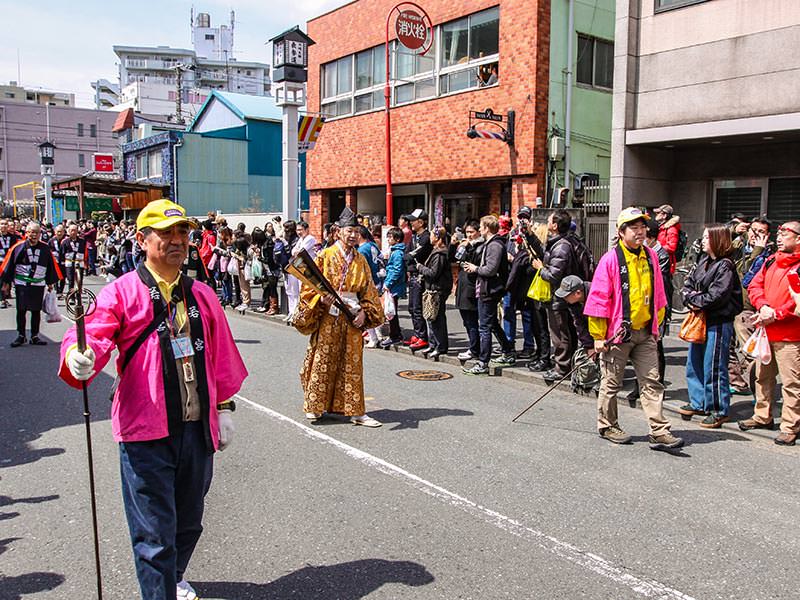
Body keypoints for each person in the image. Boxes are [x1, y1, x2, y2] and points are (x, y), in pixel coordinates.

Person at [58, 199, 247, 600]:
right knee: (154, 532)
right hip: (145, 430)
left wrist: (224, 408)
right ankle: (158, 591)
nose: (177, 241)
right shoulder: (121, 292)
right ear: (143, 240)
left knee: (189, 521)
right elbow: (93, 334)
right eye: (166, 234)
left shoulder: (202, 294)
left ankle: (171, 577)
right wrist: (80, 355)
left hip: (197, 428)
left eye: (183, 233)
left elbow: (220, 356)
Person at [584, 207, 683, 452]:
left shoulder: (650, 256)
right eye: (634, 228)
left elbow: (659, 293)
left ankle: (659, 431)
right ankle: (607, 425)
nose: (640, 232)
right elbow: (598, 299)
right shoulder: (611, 259)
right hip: (617, 334)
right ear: (621, 232)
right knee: (611, 383)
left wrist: (656, 325)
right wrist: (598, 336)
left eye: (642, 227)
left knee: (652, 382)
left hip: (646, 332)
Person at [293, 207, 385, 427]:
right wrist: (319, 301)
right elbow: (309, 287)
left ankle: (356, 411)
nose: (352, 235)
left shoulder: (361, 260)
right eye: (348, 230)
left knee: (352, 364)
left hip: (351, 315)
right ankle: (315, 406)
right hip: (328, 316)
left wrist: (364, 312)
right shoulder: (324, 256)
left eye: (355, 231)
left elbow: (368, 290)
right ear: (337, 232)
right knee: (322, 360)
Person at [737, 221, 800, 445]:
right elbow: (754, 285)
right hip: (766, 329)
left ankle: (790, 425)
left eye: (786, 233)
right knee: (762, 376)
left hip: (791, 336)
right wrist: (763, 306)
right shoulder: (772, 260)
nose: (780, 237)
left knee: (792, 383)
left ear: (799, 238)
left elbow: (797, 304)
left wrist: (776, 314)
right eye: (780, 233)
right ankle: (762, 416)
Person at [678, 224, 743, 428]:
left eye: (707, 237)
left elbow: (717, 297)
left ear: (717, 240)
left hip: (717, 321)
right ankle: (699, 402)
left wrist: (694, 299)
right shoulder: (704, 260)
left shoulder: (725, 265)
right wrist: (691, 297)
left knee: (713, 366)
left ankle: (718, 408)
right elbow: (687, 285)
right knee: (694, 362)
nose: (703, 240)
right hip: (700, 319)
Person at [532, 210, 584, 382]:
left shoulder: (561, 246)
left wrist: (540, 268)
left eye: (549, 220)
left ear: (555, 225)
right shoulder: (559, 242)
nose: (547, 222)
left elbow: (554, 275)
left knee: (560, 333)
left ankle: (562, 368)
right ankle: (566, 365)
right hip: (561, 295)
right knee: (565, 332)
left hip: (560, 296)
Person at [461, 215, 515, 375]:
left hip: (489, 290)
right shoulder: (491, 243)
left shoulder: (495, 245)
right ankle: (508, 350)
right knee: (491, 324)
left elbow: (491, 269)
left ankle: (483, 362)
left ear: (486, 228)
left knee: (484, 327)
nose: (480, 229)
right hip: (487, 288)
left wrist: (475, 268)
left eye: (482, 227)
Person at [0, 222, 62, 347]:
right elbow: (9, 265)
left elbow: (50, 266)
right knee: (21, 309)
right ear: (26, 233)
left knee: (36, 310)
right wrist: (6, 283)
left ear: (40, 234)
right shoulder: (18, 247)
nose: (33, 235)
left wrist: (50, 283)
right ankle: (21, 335)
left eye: (36, 232)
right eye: (31, 232)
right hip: (22, 283)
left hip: (38, 284)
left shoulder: (45, 248)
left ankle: (34, 335)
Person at [416, 225, 452, 359]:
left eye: (432, 235)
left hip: (438, 289)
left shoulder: (440, 253)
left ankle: (440, 346)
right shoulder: (435, 251)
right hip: (432, 288)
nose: (430, 237)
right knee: (430, 317)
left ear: (437, 238)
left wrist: (420, 267)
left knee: (437, 318)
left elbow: (433, 273)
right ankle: (433, 344)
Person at [454, 220, 484, 361]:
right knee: (466, 321)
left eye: (472, 232)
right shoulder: (466, 245)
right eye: (467, 232)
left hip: (472, 287)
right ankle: (474, 347)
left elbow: (474, 262)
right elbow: (454, 259)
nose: (469, 235)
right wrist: (454, 245)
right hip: (463, 285)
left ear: (478, 231)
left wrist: (468, 247)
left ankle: (475, 349)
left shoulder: (480, 246)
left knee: (472, 321)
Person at [405, 209, 432, 350]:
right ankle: (416, 333)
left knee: (417, 308)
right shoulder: (414, 237)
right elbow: (407, 254)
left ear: (421, 222)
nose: (411, 223)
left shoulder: (426, 237)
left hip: (420, 276)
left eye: (413, 220)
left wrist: (409, 258)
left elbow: (412, 255)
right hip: (413, 275)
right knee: (411, 307)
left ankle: (422, 336)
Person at [380, 227, 408, 347]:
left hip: (394, 286)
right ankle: (396, 334)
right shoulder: (395, 251)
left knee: (391, 311)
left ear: (397, 239)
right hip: (393, 285)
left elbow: (396, 270)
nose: (388, 239)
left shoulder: (397, 253)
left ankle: (394, 335)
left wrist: (388, 283)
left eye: (391, 237)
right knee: (391, 310)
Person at [357, 225, 383, 348]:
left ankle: (374, 337)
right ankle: (378, 333)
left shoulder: (361, 250)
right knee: (375, 307)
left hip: (368, 281)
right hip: (378, 278)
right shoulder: (373, 245)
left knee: (367, 309)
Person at [60, 223, 88, 293]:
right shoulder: (65, 242)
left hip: (79, 262)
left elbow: (85, 252)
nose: (73, 232)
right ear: (68, 231)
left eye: (75, 230)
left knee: (79, 280)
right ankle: (71, 296)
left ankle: (79, 296)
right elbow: (61, 253)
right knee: (71, 280)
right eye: (72, 230)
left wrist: (86, 263)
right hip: (69, 262)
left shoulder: (82, 241)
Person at [654, 204, 681, 274]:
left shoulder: (671, 229)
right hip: (660, 259)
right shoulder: (662, 227)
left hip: (666, 262)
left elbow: (672, 247)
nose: (656, 215)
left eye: (658, 213)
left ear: (664, 215)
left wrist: (657, 247)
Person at [0, 218, 21, 308]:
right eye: (1, 224)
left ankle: (4, 298)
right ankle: (2, 299)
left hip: (9, 262)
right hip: (0, 262)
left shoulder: (13, 237)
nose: (3, 226)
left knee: (7, 282)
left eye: (5, 224)